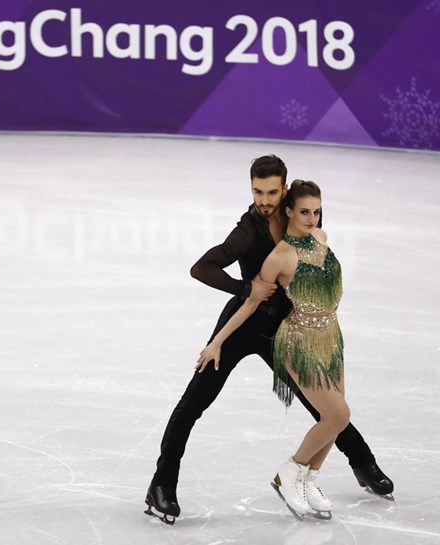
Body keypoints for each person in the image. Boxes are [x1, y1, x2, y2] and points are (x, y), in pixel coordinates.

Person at [144, 156, 393, 525]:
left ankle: (363, 463)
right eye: (258, 191)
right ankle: (161, 485)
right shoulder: (248, 230)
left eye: (272, 191)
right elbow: (201, 268)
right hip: (243, 324)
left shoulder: (300, 213)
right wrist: (246, 287)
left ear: (285, 189)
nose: (264, 199)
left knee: (325, 405)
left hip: (284, 330)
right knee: (193, 403)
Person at [197, 179, 345, 519]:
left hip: (331, 336)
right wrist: (216, 342)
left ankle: (308, 478)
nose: (312, 219)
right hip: (299, 341)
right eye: (304, 212)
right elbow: (248, 303)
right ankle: (290, 472)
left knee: (332, 420)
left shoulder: (321, 238)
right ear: (289, 211)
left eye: (317, 212)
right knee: (339, 415)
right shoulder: (279, 257)